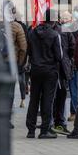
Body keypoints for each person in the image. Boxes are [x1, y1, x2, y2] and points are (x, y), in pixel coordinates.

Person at [26, 9, 62, 139]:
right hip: (50, 70)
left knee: (34, 99)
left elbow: (28, 52)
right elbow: (59, 56)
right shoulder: (54, 34)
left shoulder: (32, 33)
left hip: (35, 69)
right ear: (53, 20)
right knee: (48, 99)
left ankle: (30, 130)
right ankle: (44, 130)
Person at [51, 12, 75, 135]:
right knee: (61, 96)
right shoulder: (64, 31)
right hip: (61, 67)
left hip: (50, 67)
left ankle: (51, 123)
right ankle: (59, 123)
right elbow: (72, 48)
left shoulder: (37, 31)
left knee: (50, 96)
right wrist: (67, 59)